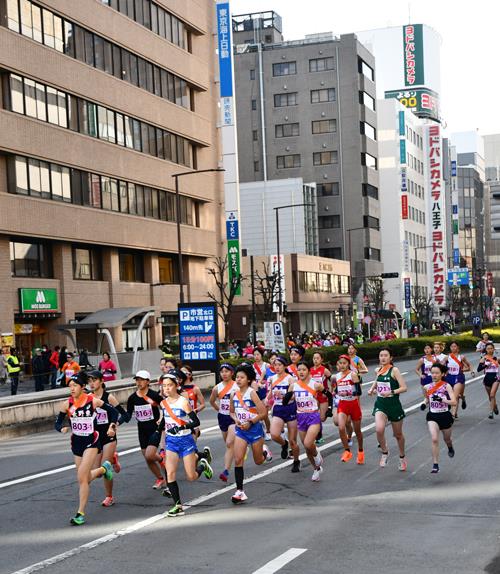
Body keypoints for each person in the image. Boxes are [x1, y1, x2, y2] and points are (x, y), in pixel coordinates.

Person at [54, 372, 119, 525]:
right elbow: (57, 422)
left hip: (92, 441)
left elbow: (114, 412)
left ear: (82, 387)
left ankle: (80, 514)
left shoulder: (93, 401)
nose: (72, 388)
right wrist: (61, 428)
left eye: (75, 385)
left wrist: (112, 425)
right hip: (76, 443)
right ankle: (104, 469)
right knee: (84, 478)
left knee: (81, 477)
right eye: (70, 386)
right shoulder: (67, 404)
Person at [154, 372, 213, 516]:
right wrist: (158, 430)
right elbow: (165, 420)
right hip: (171, 441)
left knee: (191, 477)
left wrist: (182, 427)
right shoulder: (163, 403)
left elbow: (195, 422)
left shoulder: (183, 402)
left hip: (186, 440)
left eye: (169, 385)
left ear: (176, 386)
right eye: (164, 386)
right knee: (170, 473)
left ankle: (203, 465)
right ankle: (178, 505)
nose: (166, 388)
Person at [229, 363, 272, 504]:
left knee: (258, 461)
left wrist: (251, 422)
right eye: (237, 377)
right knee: (238, 460)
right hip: (241, 431)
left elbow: (263, 412)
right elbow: (231, 412)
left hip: (254, 430)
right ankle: (239, 491)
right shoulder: (233, 394)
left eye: (242, 377)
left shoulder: (252, 393)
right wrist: (236, 420)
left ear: (248, 379)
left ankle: (264, 452)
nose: (238, 380)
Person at [118, 370, 166, 489]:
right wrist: (118, 422)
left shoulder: (154, 395)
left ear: (148, 381)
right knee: (147, 458)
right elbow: (128, 415)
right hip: (142, 430)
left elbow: (166, 407)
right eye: (137, 380)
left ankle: (161, 459)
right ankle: (160, 478)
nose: (138, 382)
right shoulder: (132, 398)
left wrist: (162, 419)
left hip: (155, 428)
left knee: (150, 455)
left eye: (141, 380)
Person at [88, 370, 126, 507]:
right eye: (89, 381)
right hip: (95, 437)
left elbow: (123, 415)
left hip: (109, 436)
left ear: (101, 381)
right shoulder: (88, 398)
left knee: (106, 467)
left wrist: (114, 426)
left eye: (94, 380)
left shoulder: (109, 398)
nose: (91, 383)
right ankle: (114, 458)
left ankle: (109, 497)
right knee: (97, 472)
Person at [283, 361, 324, 481]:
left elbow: (327, 395)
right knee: (307, 447)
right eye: (299, 370)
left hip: (313, 416)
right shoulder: (294, 386)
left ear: (309, 371)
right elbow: (286, 401)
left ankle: (317, 456)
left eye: (304, 369)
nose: (301, 372)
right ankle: (316, 469)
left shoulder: (315, 385)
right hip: (300, 417)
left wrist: (328, 409)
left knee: (307, 443)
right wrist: (286, 394)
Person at [368, 348, 408, 470]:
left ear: (391, 358)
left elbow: (404, 388)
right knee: (379, 430)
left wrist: (391, 392)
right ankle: (385, 452)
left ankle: (402, 457)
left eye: (386, 355)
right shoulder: (378, 370)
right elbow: (377, 381)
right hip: (381, 405)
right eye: (381, 355)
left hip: (394, 406)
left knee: (398, 435)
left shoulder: (394, 370)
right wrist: (372, 389)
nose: (383, 358)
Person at [267, 356, 301, 472]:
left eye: (279, 365)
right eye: (275, 365)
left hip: (290, 408)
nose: (277, 367)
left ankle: (296, 461)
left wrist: (283, 396)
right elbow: (270, 393)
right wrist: (266, 400)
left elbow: (294, 396)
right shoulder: (271, 378)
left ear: (285, 366)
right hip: (278, 409)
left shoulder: (290, 379)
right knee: (274, 434)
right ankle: (284, 444)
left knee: (293, 441)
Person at [423, 363, 457, 473]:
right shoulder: (427, 387)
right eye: (432, 373)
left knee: (447, 439)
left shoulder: (446, 386)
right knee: (434, 438)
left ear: (442, 374)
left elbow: (454, 402)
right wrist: (424, 404)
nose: (434, 375)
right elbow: (427, 399)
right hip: (433, 415)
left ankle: (450, 447)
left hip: (445, 416)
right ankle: (435, 464)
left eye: (437, 373)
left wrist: (442, 400)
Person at [209, 363, 238, 482]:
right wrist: (219, 409)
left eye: (227, 371)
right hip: (222, 417)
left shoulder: (237, 386)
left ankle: (225, 471)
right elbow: (211, 401)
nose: (224, 374)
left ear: (232, 372)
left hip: (234, 418)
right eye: (222, 372)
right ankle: (240, 449)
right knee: (227, 442)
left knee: (229, 443)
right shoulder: (217, 388)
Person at [333, 355, 364, 464]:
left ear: (348, 364)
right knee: (341, 427)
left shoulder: (353, 375)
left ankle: (360, 451)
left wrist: (349, 392)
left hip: (353, 405)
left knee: (358, 431)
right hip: (343, 404)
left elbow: (359, 392)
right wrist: (336, 392)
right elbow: (337, 389)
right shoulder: (336, 376)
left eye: (344, 363)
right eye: (340, 363)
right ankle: (347, 451)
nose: (342, 365)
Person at [446, 341, 471, 418]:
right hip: (449, 377)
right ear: (450, 348)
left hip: (459, 377)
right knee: (449, 396)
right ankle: (463, 398)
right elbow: (441, 366)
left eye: (455, 346)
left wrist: (463, 370)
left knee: (455, 396)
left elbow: (469, 366)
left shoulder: (462, 357)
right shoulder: (447, 357)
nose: (453, 348)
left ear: (458, 348)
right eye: (452, 346)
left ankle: (453, 413)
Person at [310, 351, 332, 438]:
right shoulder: (310, 370)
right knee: (313, 414)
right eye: (314, 358)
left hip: (323, 395)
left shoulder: (325, 370)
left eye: (317, 358)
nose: (315, 360)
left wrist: (331, 391)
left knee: (322, 418)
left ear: (321, 359)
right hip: (314, 396)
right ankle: (317, 433)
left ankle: (318, 427)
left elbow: (333, 382)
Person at [252, 348, 271, 440]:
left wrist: (264, 382)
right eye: (254, 355)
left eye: (258, 354)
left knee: (265, 414)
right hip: (255, 390)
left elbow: (271, 377)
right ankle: (263, 431)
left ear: (261, 355)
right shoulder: (252, 366)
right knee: (258, 413)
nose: (256, 356)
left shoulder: (267, 365)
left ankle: (268, 430)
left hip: (265, 390)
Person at [477, 342, 500, 419]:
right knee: (490, 396)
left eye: (491, 348)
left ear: (493, 349)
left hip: (496, 378)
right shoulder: (484, 358)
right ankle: (495, 406)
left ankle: (491, 412)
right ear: (486, 350)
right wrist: (486, 365)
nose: (490, 350)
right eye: (488, 349)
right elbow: (478, 369)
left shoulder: (497, 358)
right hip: (487, 378)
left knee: (492, 395)